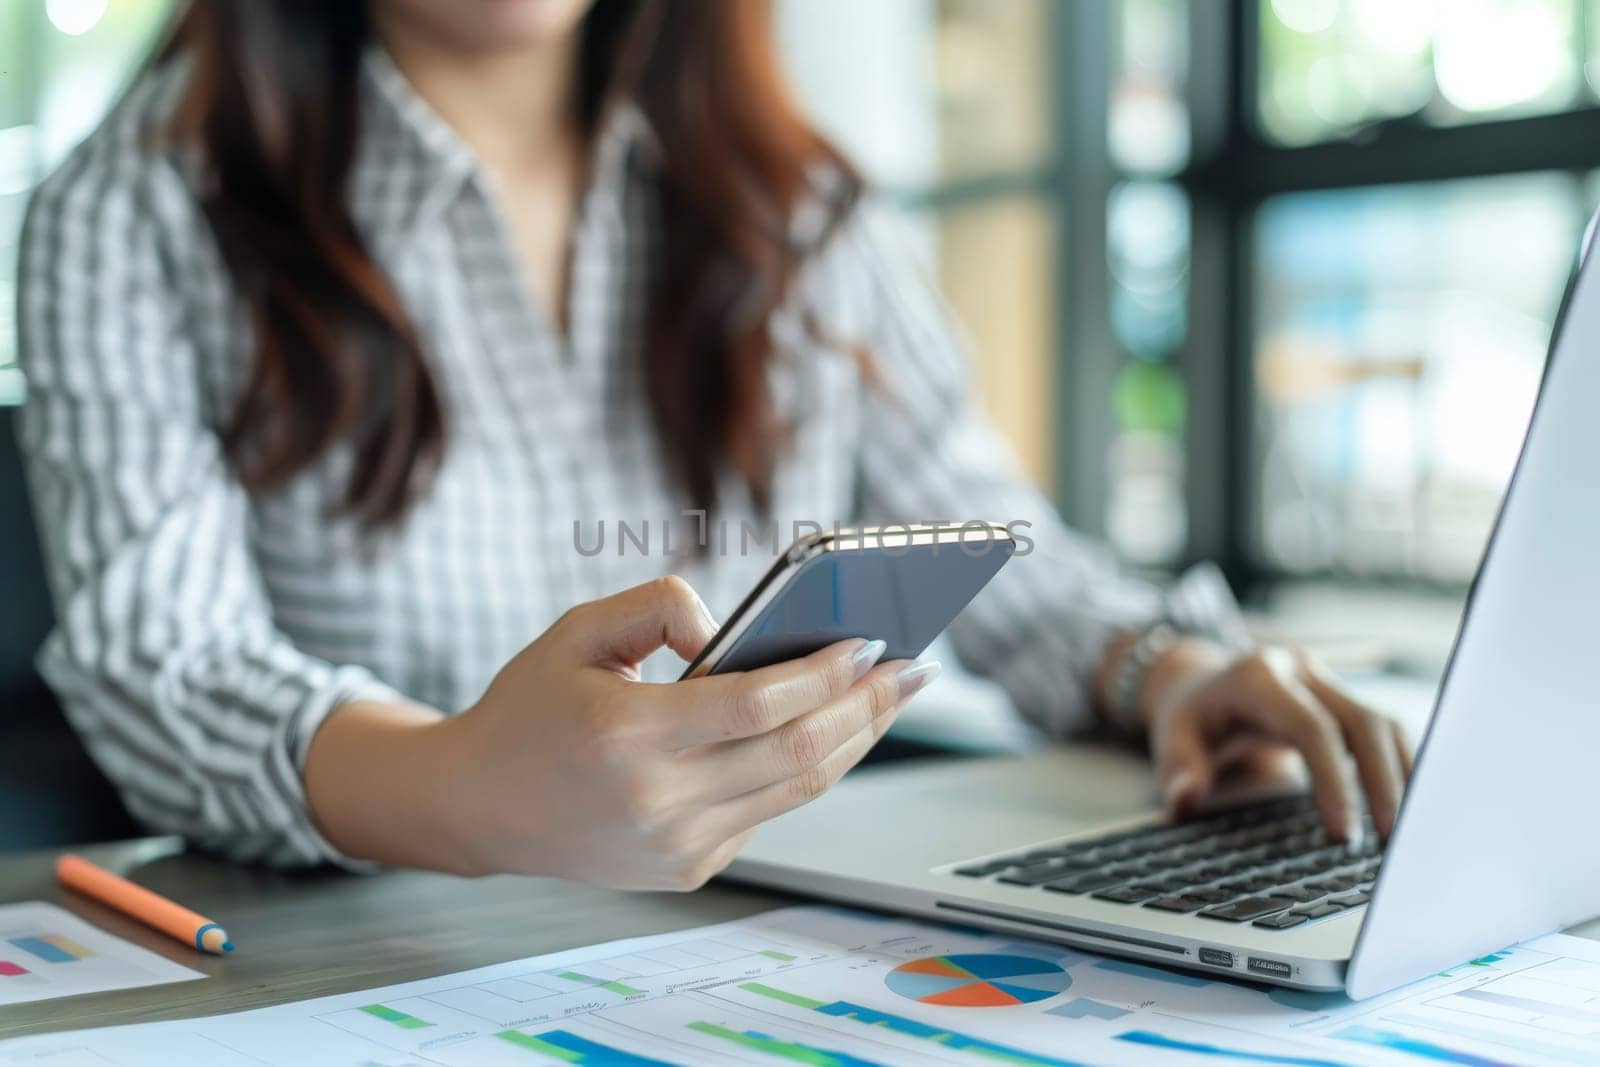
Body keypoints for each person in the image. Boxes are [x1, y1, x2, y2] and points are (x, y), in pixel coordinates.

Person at [15, 0, 1411, 889]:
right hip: (376, 959)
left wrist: (1167, 668)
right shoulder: (132, 210)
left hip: (791, 935)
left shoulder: (796, 206)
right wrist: (459, 789)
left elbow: (1007, 560)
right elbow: (167, 664)